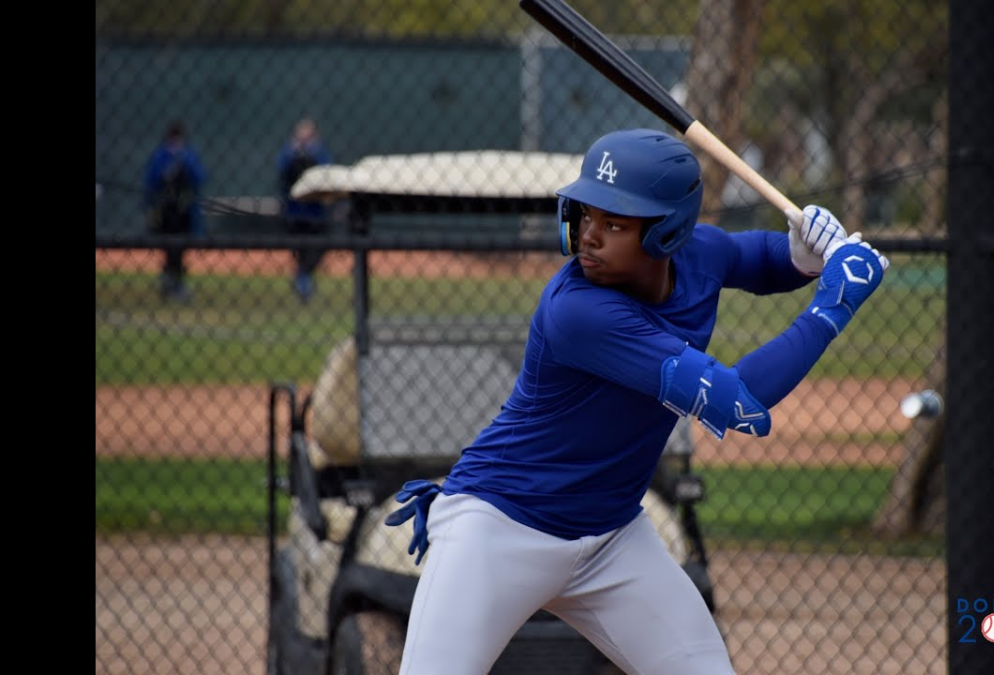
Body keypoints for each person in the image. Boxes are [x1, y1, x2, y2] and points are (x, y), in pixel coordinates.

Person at [385, 128, 890, 674]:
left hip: (611, 539)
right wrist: (831, 307)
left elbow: (761, 259)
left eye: (615, 223)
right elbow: (738, 401)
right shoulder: (578, 311)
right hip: (500, 526)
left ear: (668, 233)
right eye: (585, 215)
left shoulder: (700, 254)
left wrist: (805, 252)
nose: (589, 237)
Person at [143, 120, 206, 301]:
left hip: (183, 211)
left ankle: (175, 283)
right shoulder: (160, 156)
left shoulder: (188, 156)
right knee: (168, 248)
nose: (176, 144)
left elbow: (200, 177)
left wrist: (183, 162)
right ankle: (169, 283)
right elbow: (151, 182)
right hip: (165, 211)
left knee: (180, 248)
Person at [277, 117, 333, 301]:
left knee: (317, 249)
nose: (304, 141)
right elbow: (281, 169)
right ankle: (303, 280)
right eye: (301, 137)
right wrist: (294, 152)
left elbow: (328, 171)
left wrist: (312, 153)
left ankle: (304, 277)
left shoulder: (320, 154)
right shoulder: (288, 153)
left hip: (316, 214)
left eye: (308, 137)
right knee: (299, 250)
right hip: (294, 213)